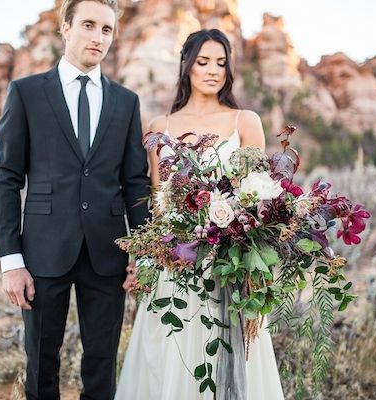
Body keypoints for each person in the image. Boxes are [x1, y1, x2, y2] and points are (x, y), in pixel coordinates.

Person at [0, 0, 150, 398]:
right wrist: (11, 261)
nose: (98, 37)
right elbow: (7, 179)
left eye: (107, 29)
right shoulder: (26, 92)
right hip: (43, 252)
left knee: (101, 365)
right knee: (42, 362)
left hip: (108, 252)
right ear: (65, 27)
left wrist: (143, 251)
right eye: (89, 25)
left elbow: (135, 182)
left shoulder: (126, 102)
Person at [115, 29, 285, 400]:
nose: (213, 71)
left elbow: (259, 198)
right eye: (203, 62)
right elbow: (160, 204)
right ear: (186, 66)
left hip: (230, 266)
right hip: (176, 265)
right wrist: (146, 258)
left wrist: (247, 243)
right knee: (169, 355)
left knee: (229, 354)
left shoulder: (245, 121)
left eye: (221, 63)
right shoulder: (161, 127)